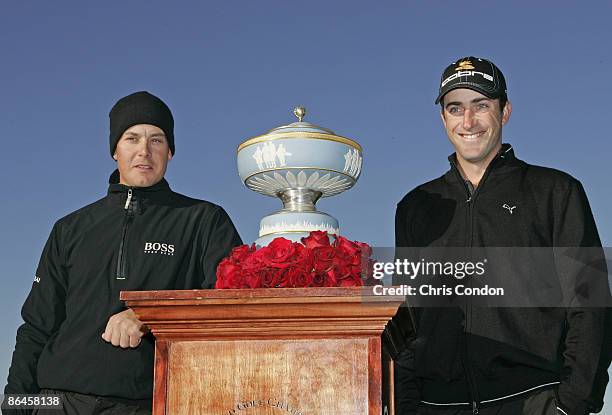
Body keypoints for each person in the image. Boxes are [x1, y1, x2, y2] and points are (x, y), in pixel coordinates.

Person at [3, 91, 242, 414]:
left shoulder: (203, 220)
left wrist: (149, 315)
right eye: (132, 138)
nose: (144, 151)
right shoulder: (70, 227)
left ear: (170, 151)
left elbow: (230, 303)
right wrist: (15, 405)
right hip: (57, 401)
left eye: (156, 140)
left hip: (146, 403)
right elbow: (36, 326)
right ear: (114, 149)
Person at [394, 57, 610, 414]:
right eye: (456, 108)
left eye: (481, 106)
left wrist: (571, 403)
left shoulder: (555, 192)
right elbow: (406, 316)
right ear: (443, 118)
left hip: (533, 400)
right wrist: (407, 403)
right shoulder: (415, 207)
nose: (468, 121)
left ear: (504, 111)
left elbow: (592, 303)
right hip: (437, 404)